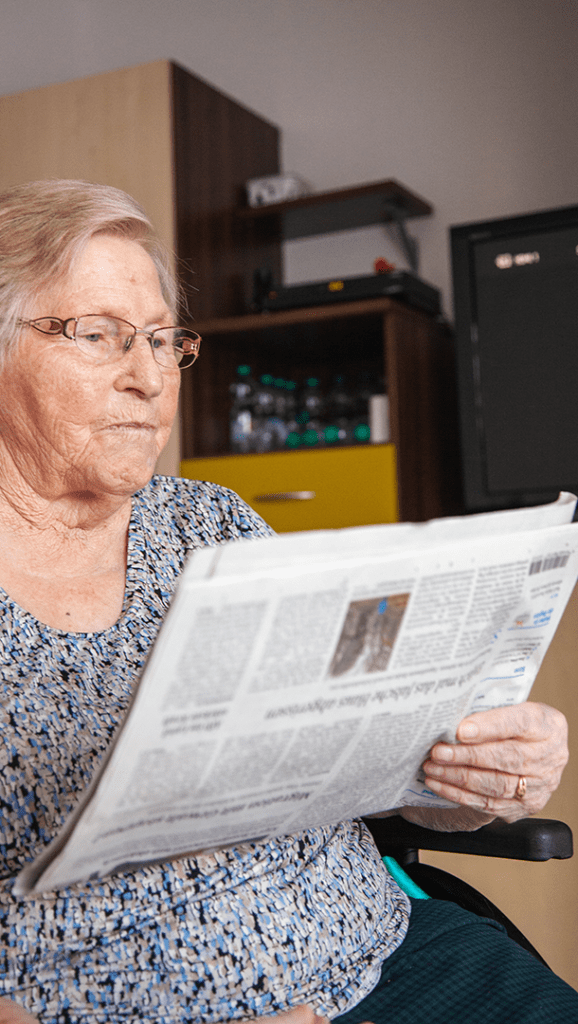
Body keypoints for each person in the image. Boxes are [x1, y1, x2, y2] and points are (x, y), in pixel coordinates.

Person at [0, 179, 576, 1024]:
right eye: (100, 335)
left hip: (383, 953)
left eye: (163, 341)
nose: (149, 376)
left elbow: (355, 770)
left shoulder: (210, 522)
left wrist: (467, 780)